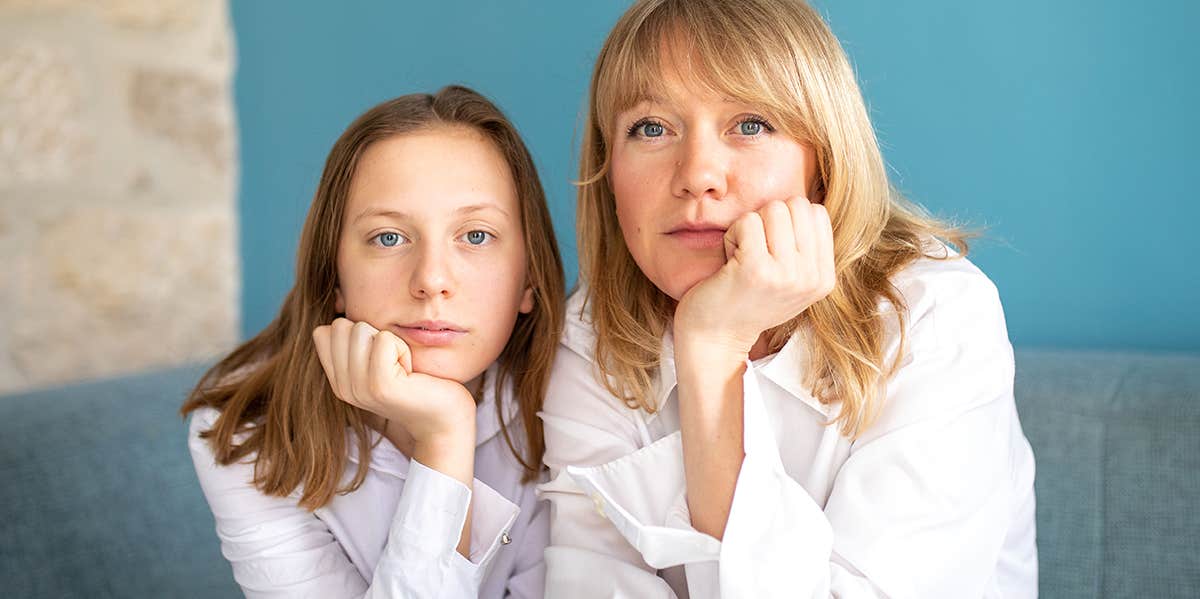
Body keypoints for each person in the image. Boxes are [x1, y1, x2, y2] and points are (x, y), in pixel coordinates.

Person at [539, 0, 1038, 597]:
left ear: (823, 163)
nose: (697, 174)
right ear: (608, 169)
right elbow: (589, 581)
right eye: (651, 128)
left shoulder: (936, 313)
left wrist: (711, 349)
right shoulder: (592, 332)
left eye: (750, 124)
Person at [182, 85, 563, 598]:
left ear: (529, 278)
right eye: (389, 237)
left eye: (475, 235)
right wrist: (444, 437)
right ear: (334, 276)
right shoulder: (247, 439)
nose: (431, 279)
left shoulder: (574, 393)